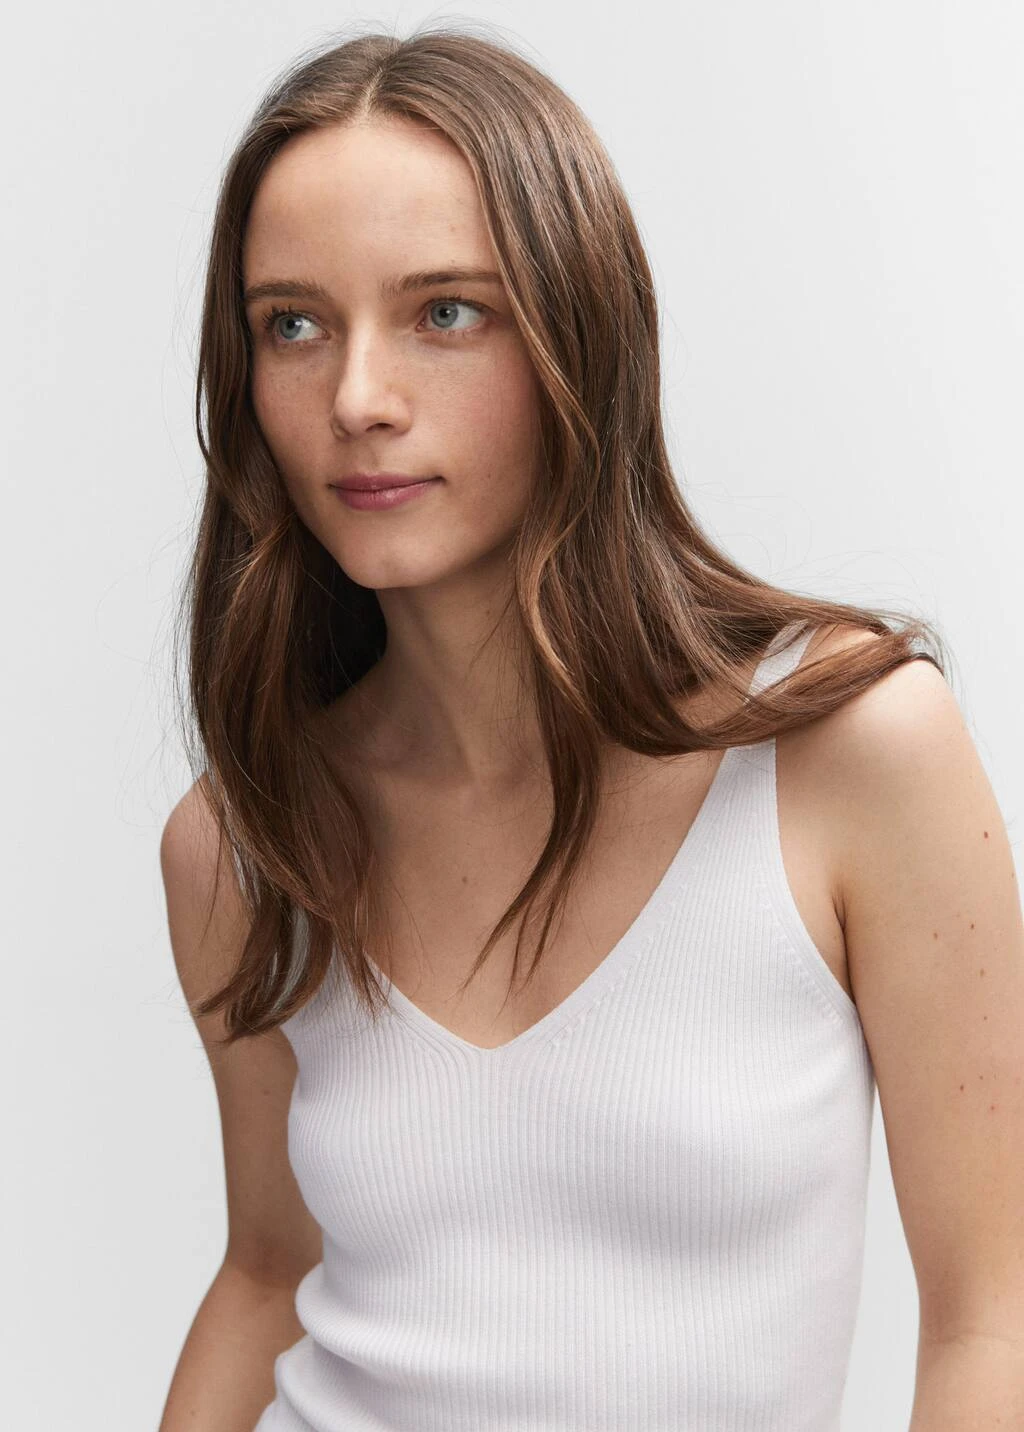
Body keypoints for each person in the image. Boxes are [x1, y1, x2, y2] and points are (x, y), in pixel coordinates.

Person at [157, 24, 1024, 1432]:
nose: (358, 399)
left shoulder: (851, 753)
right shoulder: (244, 842)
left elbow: (994, 1316)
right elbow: (266, 1274)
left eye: (446, 311)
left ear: (582, 330)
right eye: (292, 325)